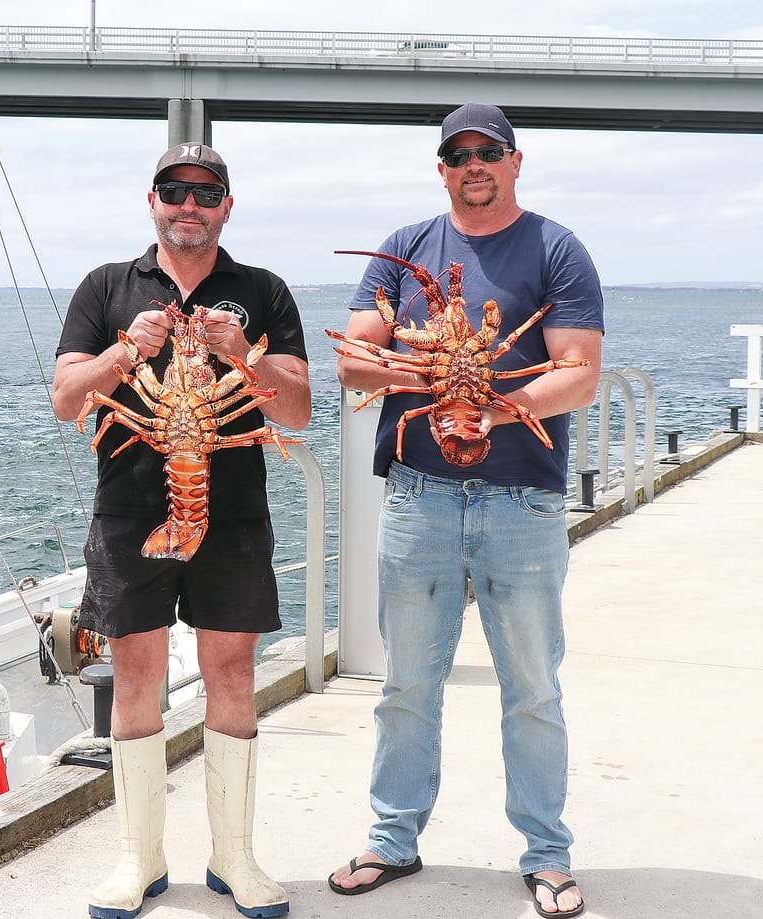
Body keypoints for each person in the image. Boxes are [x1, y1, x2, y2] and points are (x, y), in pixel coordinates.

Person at [328, 103, 604, 918]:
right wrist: (440, 377)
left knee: (533, 686)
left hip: (522, 497)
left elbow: (580, 371)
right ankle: (392, 837)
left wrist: (493, 401)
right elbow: (353, 359)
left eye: (488, 151)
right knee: (407, 681)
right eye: (457, 154)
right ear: (440, 167)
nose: (472, 163)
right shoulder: (405, 249)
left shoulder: (556, 248)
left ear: (517, 161)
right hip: (420, 493)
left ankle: (547, 853)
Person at [53, 142, 311, 919]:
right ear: (153, 199)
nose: (189, 205)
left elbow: (293, 412)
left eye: (206, 193)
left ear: (227, 206)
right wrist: (127, 348)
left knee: (232, 674)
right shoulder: (106, 286)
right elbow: (68, 398)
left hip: (228, 517)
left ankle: (233, 856)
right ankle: (140, 857)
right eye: (175, 190)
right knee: (135, 676)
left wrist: (243, 355)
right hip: (131, 515)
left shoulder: (261, 292)